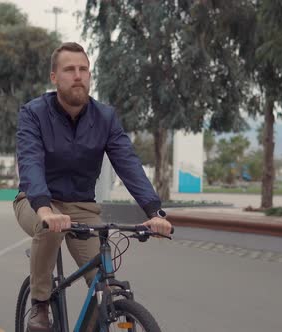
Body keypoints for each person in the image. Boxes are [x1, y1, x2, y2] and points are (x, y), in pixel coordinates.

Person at [13, 42, 172, 332]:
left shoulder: (105, 117)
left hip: (82, 207)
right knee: (50, 230)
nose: (78, 75)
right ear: (54, 77)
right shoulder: (33, 113)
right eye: (70, 69)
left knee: (105, 289)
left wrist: (154, 211)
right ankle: (39, 303)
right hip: (36, 201)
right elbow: (31, 163)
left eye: (83, 69)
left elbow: (128, 163)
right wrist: (46, 210)